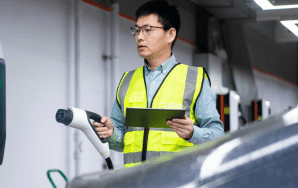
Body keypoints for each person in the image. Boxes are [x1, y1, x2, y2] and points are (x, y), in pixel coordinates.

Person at [93, 0, 224, 168]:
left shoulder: (194, 78)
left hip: (177, 186)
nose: (139, 36)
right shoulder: (127, 80)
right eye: (137, 30)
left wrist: (193, 133)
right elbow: (123, 142)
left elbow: (218, 136)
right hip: (135, 184)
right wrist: (111, 134)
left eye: (147, 30)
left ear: (170, 34)